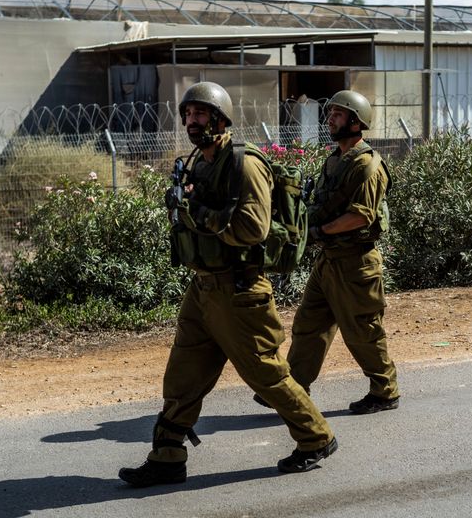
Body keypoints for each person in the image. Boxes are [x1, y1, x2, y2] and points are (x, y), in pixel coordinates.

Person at [119, 82, 337, 488]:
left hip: (239, 291)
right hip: (204, 288)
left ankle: (315, 436)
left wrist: (198, 213)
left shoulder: (243, 162)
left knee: (264, 372)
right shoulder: (199, 162)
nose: (191, 121)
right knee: (183, 375)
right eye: (187, 114)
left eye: (200, 114)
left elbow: (253, 228)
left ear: (219, 118)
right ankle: (167, 457)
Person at [257, 89, 399, 415]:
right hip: (329, 260)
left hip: (356, 263)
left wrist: (319, 232)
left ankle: (385, 390)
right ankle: (293, 387)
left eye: (337, 114)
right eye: (330, 113)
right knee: (308, 325)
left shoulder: (367, 165)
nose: (330, 119)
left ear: (355, 121)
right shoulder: (336, 159)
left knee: (363, 332)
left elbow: (361, 215)